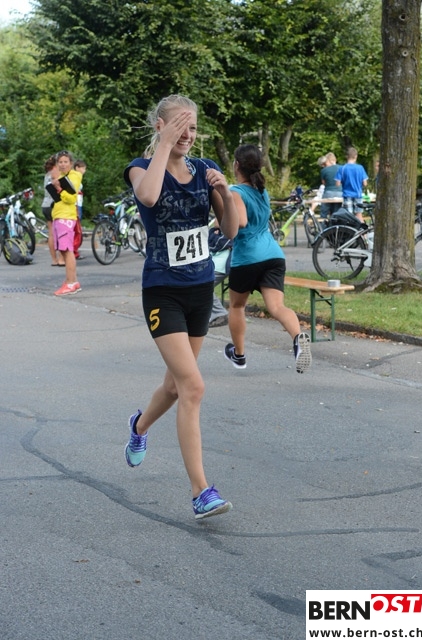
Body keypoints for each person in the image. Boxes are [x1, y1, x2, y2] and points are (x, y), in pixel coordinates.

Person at [123, 94, 239, 520]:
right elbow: (149, 197)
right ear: (160, 126)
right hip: (163, 292)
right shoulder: (141, 167)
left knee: (175, 386)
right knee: (193, 387)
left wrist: (224, 192)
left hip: (200, 290)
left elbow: (230, 231)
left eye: (192, 128)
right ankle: (200, 491)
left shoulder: (204, 169)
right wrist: (164, 146)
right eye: (179, 127)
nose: (188, 135)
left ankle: (139, 426)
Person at [224, 144, 312, 374]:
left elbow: (241, 221)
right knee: (277, 306)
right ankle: (298, 338)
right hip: (273, 254)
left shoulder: (236, 191)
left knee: (237, 305)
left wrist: (222, 220)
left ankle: (239, 355)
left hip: (247, 257)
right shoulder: (261, 191)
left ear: (236, 165)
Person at [50, 150, 82, 296]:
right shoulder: (61, 177)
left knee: (67, 250)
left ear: (71, 163)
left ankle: (71, 283)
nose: (63, 165)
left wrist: (58, 188)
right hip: (58, 215)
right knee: (63, 250)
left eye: (65, 162)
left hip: (66, 217)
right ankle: (72, 280)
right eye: (60, 162)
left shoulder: (74, 176)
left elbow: (71, 198)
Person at [208, 220, 233, 328]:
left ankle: (220, 313)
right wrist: (214, 233)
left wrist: (215, 236)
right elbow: (207, 243)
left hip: (222, 267)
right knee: (198, 286)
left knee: (204, 287)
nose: (215, 221)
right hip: (212, 265)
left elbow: (218, 245)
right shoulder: (214, 231)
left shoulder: (230, 232)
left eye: (218, 219)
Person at [41, 155, 65, 266]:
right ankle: (61, 259)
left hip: (45, 205)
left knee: (51, 233)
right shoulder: (56, 174)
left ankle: (54, 260)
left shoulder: (46, 175)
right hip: (54, 204)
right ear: (56, 164)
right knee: (60, 232)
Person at [334, 147, 368, 222]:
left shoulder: (342, 168)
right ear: (356, 156)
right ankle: (362, 229)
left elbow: (337, 184)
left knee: (349, 216)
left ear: (347, 156)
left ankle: (351, 229)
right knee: (359, 215)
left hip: (347, 195)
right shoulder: (360, 168)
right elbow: (365, 183)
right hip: (358, 194)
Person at [319, 152, 342, 220]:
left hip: (328, 192)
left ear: (327, 160)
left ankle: (323, 225)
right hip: (340, 193)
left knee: (324, 213)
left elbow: (324, 183)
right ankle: (336, 225)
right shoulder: (341, 168)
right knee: (337, 212)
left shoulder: (324, 170)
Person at [73, 159, 87, 260]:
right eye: (83, 168)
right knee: (76, 229)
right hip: (76, 204)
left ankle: (75, 250)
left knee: (77, 228)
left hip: (78, 204)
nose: (84, 171)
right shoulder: (75, 177)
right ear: (77, 168)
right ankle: (74, 251)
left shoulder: (78, 177)